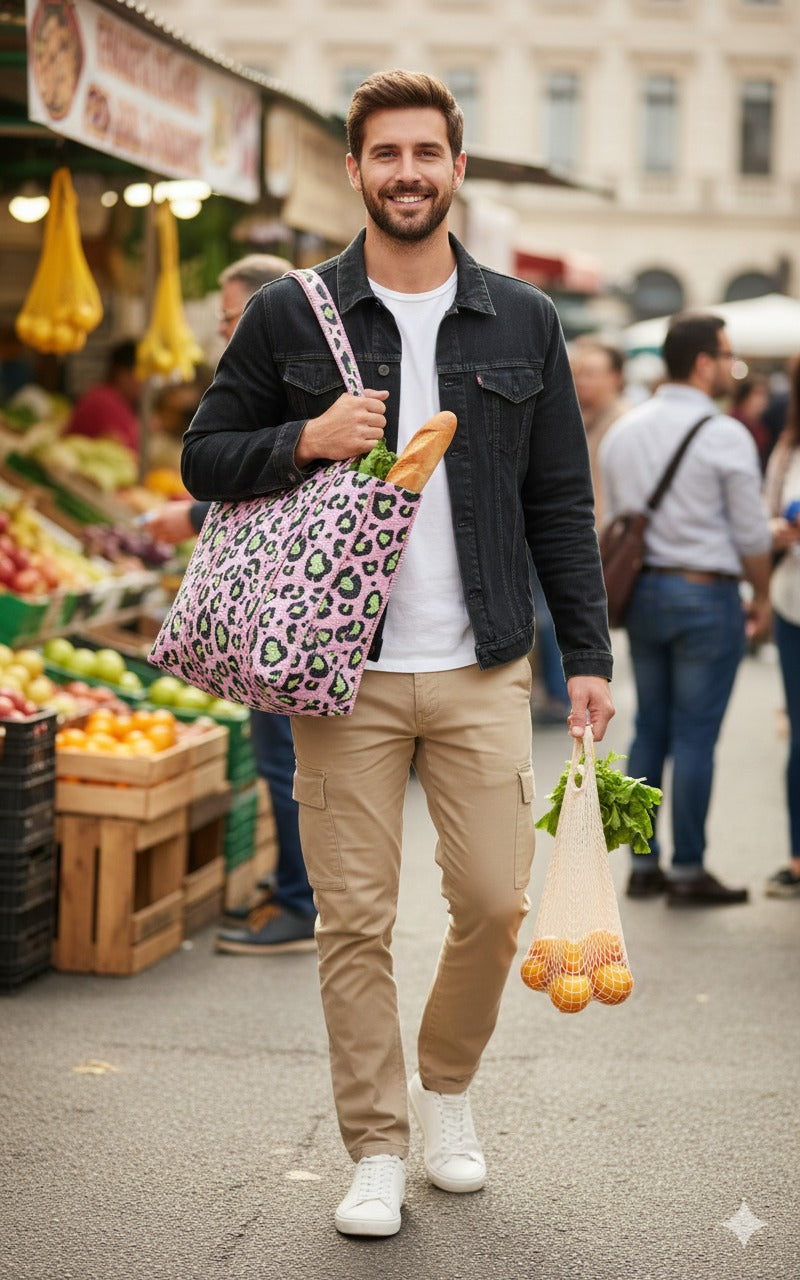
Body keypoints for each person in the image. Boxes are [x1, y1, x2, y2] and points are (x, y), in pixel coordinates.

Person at [181, 70, 614, 1238]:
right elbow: (201, 456)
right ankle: (374, 1144)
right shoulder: (289, 312)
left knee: (489, 899)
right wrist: (302, 439)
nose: (407, 171)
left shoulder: (522, 317)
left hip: (480, 663)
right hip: (340, 669)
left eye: (428, 151)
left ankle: (448, 1088)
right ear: (356, 169)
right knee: (352, 919)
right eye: (386, 153)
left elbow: (559, 500)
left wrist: (590, 653)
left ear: (455, 166)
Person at [147, 254, 317, 955]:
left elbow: (266, 495)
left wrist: (186, 523)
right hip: (277, 606)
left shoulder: (280, 386)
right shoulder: (273, 382)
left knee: (285, 762)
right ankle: (290, 890)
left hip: (275, 610)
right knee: (285, 759)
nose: (221, 330)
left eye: (226, 316)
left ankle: (299, 904)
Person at [599, 313, 773, 907]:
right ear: (703, 362)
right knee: (696, 737)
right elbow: (751, 535)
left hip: (643, 592)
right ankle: (689, 868)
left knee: (651, 728)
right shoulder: (725, 434)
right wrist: (765, 594)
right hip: (706, 594)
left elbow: (619, 516)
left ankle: (643, 866)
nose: (731, 367)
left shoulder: (626, 429)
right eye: (726, 355)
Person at [763, 355, 800, 897]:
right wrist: (780, 529)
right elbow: (763, 523)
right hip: (793, 605)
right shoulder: (788, 449)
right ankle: (797, 859)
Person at [569, 338, 629, 535]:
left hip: (606, 543)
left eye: (589, 374)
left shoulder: (624, 423)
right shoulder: (583, 419)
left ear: (616, 377)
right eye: (577, 374)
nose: (580, 381)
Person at [67, 339, 142, 453]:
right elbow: (127, 450)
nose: (144, 383)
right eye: (141, 375)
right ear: (123, 374)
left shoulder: (110, 397)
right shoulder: (104, 401)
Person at [729, 373, 771, 473]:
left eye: (764, 395)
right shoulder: (731, 424)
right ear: (744, 396)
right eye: (756, 394)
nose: (761, 400)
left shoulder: (763, 428)